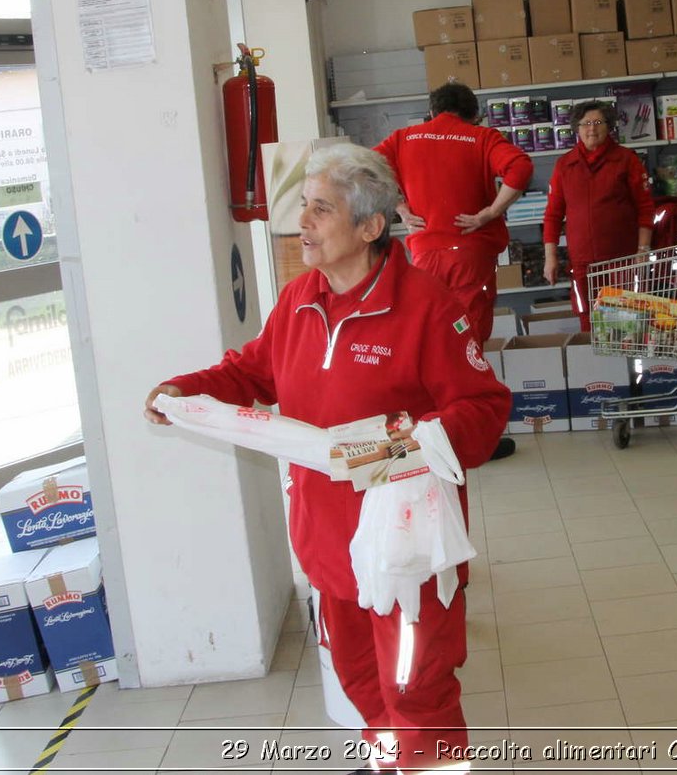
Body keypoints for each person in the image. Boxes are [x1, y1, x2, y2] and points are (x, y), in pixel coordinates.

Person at [144, 144, 508, 775]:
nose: (303, 224)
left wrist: (389, 448)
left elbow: (482, 410)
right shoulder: (299, 300)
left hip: (405, 547)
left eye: (321, 209)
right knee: (360, 676)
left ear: (370, 227)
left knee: (414, 685)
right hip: (328, 541)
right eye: (303, 207)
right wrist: (185, 390)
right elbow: (249, 371)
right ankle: (390, 761)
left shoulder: (425, 306)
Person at [376, 82, 531, 462]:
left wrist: (400, 208)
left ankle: (419, 435)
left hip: (424, 255)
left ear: (431, 112)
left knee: (423, 342)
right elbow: (520, 167)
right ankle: (470, 439)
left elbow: (366, 168)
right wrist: (490, 212)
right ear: (474, 113)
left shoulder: (403, 138)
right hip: (469, 255)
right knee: (467, 345)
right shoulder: (481, 137)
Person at [541, 100, 654, 331]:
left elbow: (645, 208)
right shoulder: (565, 165)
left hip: (622, 262)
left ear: (609, 126)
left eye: (598, 122)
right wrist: (550, 257)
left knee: (626, 327)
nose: (591, 128)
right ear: (577, 128)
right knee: (588, 324)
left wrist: (643, 250)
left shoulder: (626, 160)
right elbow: (552, 215)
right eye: (585, 123)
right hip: (582, 264)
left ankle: (625, 368)